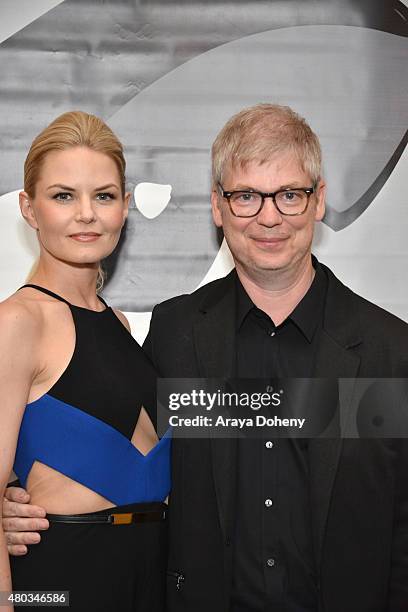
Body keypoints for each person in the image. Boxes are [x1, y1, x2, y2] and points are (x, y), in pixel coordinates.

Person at [4, 104, 408, 611]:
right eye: (245, 196)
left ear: (318, 201)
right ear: (217, 206)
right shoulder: (174, 336)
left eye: (289, 194)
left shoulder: (390, 352)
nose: (268, 217)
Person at [0, 111, 170, 611]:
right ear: (30, 209)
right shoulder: (18, 322)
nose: (86, 214)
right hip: (60, 585)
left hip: (150, 573)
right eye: (62, 196)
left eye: (103, 195)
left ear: (124, 207)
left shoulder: (118, 323)